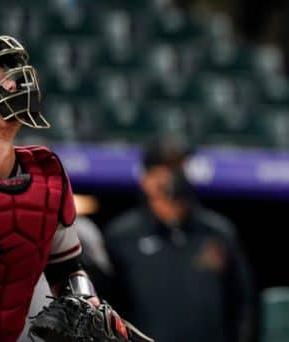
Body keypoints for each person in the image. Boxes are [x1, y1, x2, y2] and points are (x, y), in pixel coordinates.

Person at [0, 34, 140, 341]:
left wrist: (87, 304)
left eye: (12, 74)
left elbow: (67, 270)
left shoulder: (46, 175)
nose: (11, 85)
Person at [104, 139, 254, 342]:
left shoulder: (218, 232)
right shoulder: (122, 236)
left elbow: (242, 305)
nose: (172, 179)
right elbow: (106, 308)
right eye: (163, 170)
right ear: (146, 179)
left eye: (178, 169)